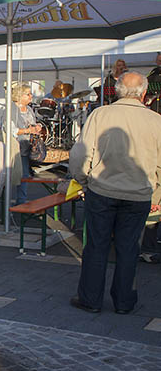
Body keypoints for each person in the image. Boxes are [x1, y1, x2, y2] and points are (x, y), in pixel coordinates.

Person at [69, 72, 161, 314]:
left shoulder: (100, 114)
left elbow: (81, 153)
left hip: (102, 189)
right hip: (139, 193)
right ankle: (124, 302)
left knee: (96, 246)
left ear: (117, 91)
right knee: (129, 249)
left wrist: (82, 180)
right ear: (143, 93)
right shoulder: (156, 120)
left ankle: (90, 299)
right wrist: (157, 196)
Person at [11, 82, 39, 203]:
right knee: (16, 174)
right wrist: (28, 130)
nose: (31, 96)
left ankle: (21, 199)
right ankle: (15, 201)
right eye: (28, 94)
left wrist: (37, 127)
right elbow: (11, 130)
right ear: (20, 96)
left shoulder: (29, 109)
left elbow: (33, 123)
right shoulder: (11, 110)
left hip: (27, 146)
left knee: (25, 174)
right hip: (16, 147)